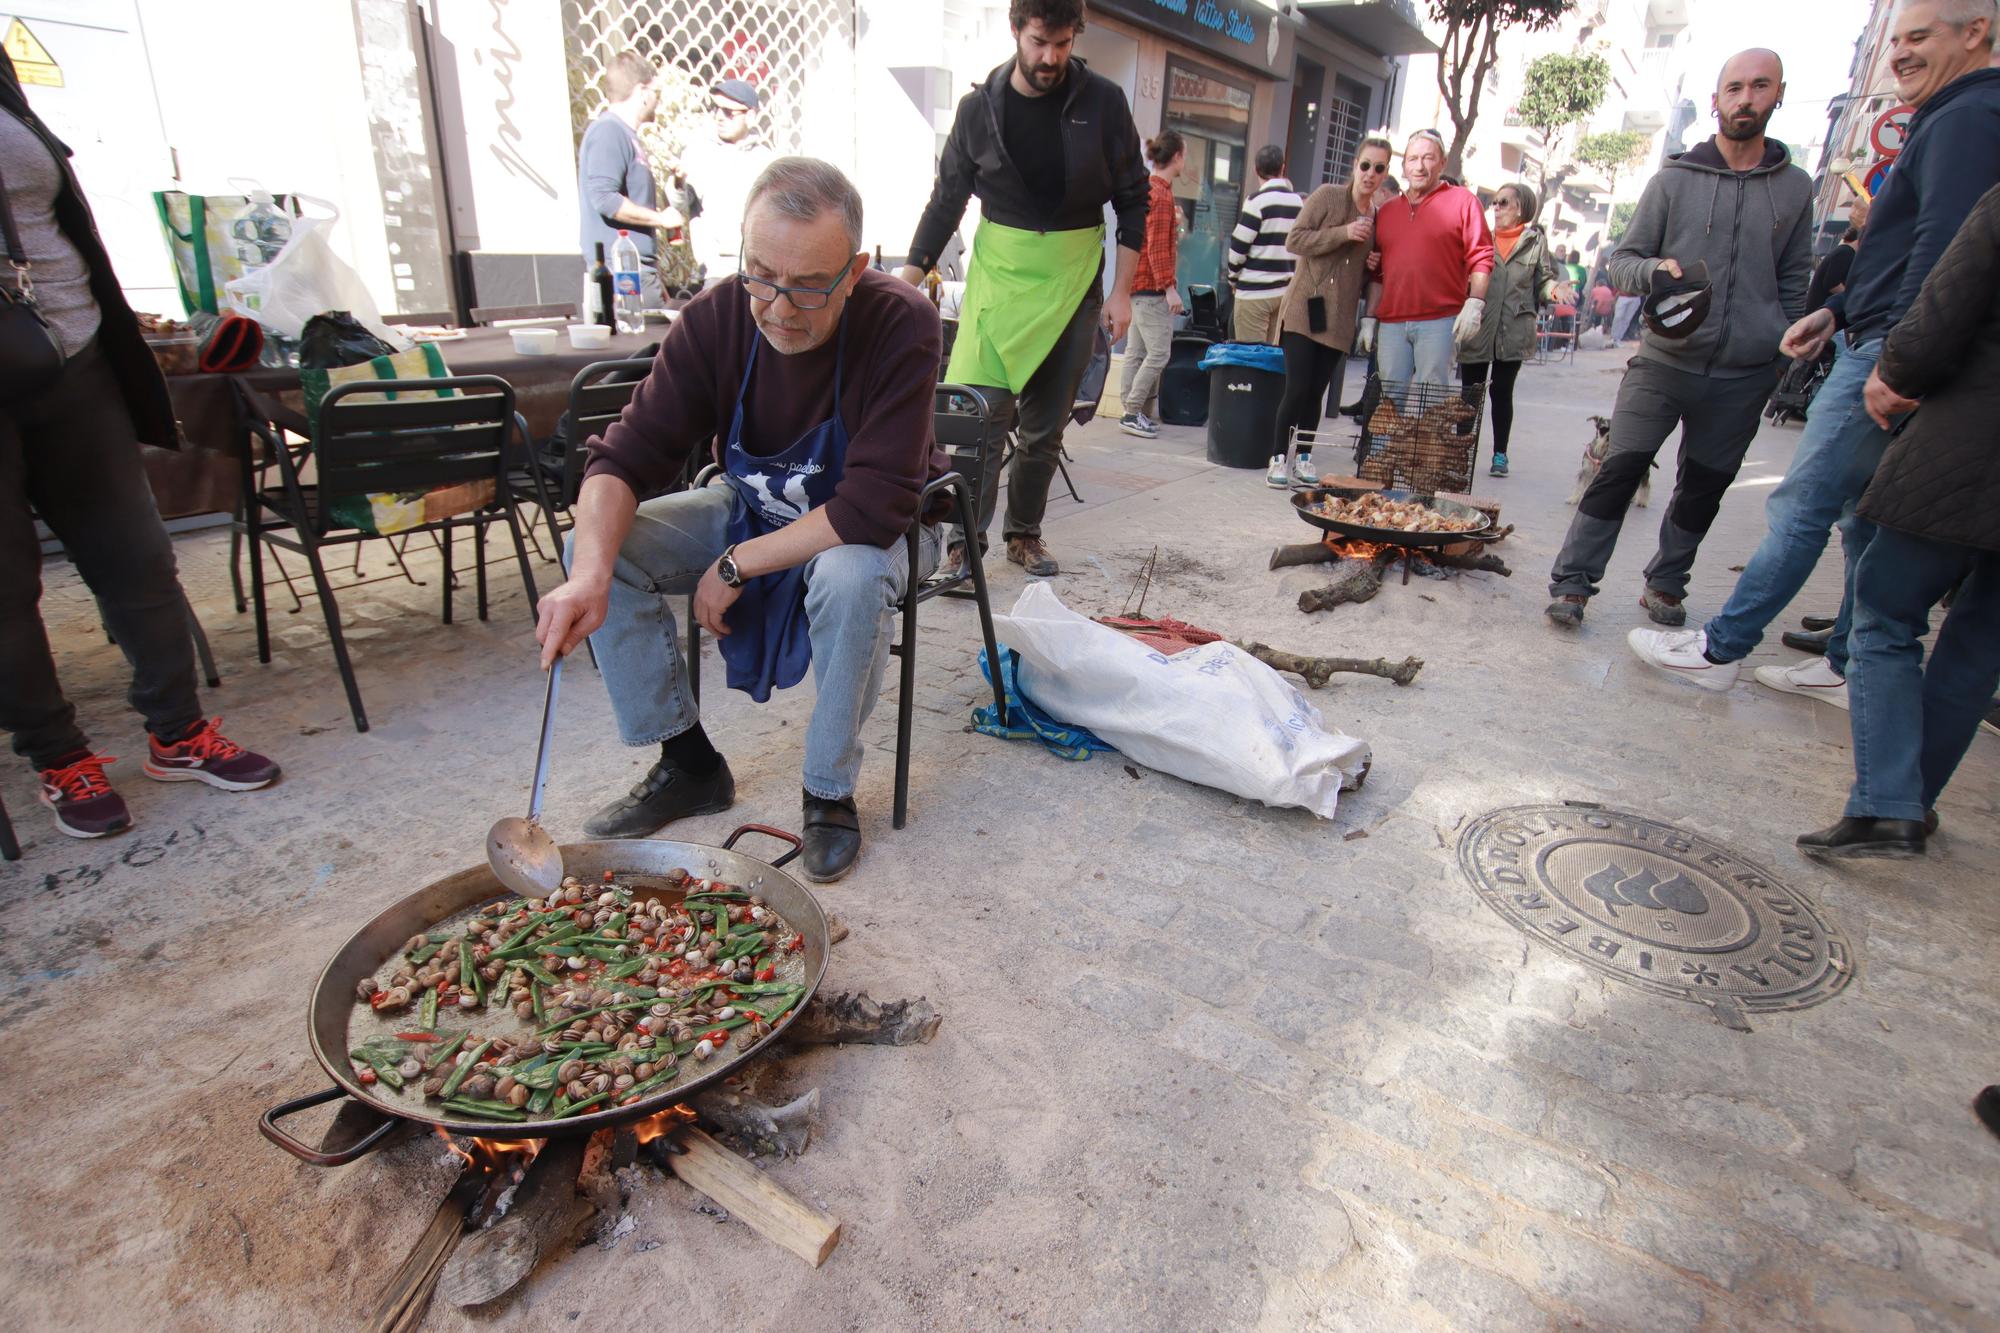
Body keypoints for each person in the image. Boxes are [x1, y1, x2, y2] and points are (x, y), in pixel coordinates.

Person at [535, 158, 945, 884]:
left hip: (885, 527)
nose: (779, 307)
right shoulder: (718, 317)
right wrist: (590, 577)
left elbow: (871, 506)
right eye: (761, 274)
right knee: (592, 544)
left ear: (854, 269)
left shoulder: (900, 321)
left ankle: (828, 793)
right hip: (757, 503)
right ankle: (688, 761)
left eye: (809, 285)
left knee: (849, 575)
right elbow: (621, 460)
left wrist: (735, 565)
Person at [1628, 0, 2000, 691]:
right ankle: (1845, 659)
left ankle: (1721, 650)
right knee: (1863, 514)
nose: (1900, 55)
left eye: (1919, 37)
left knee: (1803, 504)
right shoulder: (1950, 115)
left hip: (1893, 349)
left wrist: (1899, 358)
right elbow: (1898, 254)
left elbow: (1945, 251)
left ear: (1975, 32)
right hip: (1874, 332)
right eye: (1897, 40)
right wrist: (1837, 309)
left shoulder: (1968, 118)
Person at [1, 48, 278, 839]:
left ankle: (177, 729)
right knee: (6, 588)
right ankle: (58, 755)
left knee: (137, 557)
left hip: (72, 349)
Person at [1546, 49, 1814, 629]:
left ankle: (1666, 582)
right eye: (1734, 88)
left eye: (1759, 86)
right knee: (1619, 469)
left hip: (1746, 370)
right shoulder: (1674, 179)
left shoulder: (1795, 188)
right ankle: (1572, 583)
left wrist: (1781, 350)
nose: (1746, 99)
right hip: (1665, 360)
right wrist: (1653, 272)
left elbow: (1795, 276)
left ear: (1779, 94)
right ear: (1716, 101)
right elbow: (1621, 263)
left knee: (1705, 487)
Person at [900, 0, 1147, 579]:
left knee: (1044, 429)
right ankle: (965, 542)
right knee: (981, 418)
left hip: (1073, 281)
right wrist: (908, 282)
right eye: (1039, 41)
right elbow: (946, 202)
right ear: (1016, 30)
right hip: (1000, 280)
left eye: (1062, 43)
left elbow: (1135, 197)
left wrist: (1121, 292)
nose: (1050, 57)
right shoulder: (978, 111)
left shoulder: (1104, 103)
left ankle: (1024, 535)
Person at [1797, 180, 2000, 858]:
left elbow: (1941, 312)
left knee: (1885, 610)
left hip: (1969, 446)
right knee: (1978, 644)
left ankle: (1887, 802)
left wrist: (1895, 371)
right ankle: (1912, 803)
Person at [1266, 136, 1389, 488]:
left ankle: (1303, 457)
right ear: (1355, 165)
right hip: (1305, 309)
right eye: (1366, 165)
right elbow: (1296, 240)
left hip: (1338, 319)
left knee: (1316, 392)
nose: (1370, 174)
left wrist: (1369, 265)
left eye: (1379, 168)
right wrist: (1343, 232)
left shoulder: (1378, 218)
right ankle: (1277, 459)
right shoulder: (1328, 196)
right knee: (1297, 388)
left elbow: (1357, 276)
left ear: (1385, 174)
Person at [1356, 129, 1492, 393]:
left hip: (1439, 321)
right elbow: (1378, 273)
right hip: (1393, 322)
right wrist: (1369, 318)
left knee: (1431, 405)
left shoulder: (1464, 201)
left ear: (1441, 162)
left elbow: (1482, 255)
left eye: (1428, 158)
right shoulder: (1387, 211)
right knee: (1388, 407)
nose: (1419, 166)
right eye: (1413, 159)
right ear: (1404, 166)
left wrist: (1475, 302)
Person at [1457, 182, 1565, 479]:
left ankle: (1499, 454)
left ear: (1521, 209)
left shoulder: (1535, 242)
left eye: (1503, 202)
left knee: (1502, 393)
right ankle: (1458, 452)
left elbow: (1543, 282)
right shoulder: (1481, 238)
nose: (1496, 208)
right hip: (1479, 326)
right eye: (1494, 202)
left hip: (1514, 329)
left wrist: (1554, 291)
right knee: (1470, 395)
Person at [577, 51, 682, 309]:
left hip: (638, 271)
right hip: (622, 274)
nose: (658, 100)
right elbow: (605, 199)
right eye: (656, 92)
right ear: (642, 91)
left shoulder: (623, 134)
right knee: (643, 346)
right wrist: (661, 219)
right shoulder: (609, 131)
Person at [1119, 131, 1187, 439]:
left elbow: (1153, 241)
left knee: (1137, 351)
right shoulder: (1161, 195)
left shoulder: (1152, 190)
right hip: (1150, 288)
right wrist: (1169, 287)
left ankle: (1131, 411)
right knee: (1158, 352)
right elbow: (1158, 248)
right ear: (1176, 157)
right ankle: (1133, 412)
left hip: (1138, 284)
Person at [682, 78, 773, 286]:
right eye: (716, 109)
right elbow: (679, 205)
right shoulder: (698, 153)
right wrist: (677, 183)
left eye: (729, 112)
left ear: (750, 116)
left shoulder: (765, 160)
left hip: (758, 272)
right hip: (716, 271)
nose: (719, 117)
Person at [1226, 144, 1300, 345]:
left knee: (1250, 359)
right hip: (1284, 292)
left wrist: (1233, 279)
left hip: (1254, 292)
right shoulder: (1298, 203)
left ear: (1255, 170)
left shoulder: (1256, 201)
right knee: (1271, 358)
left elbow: (1238, 247)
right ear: (1282, 168)